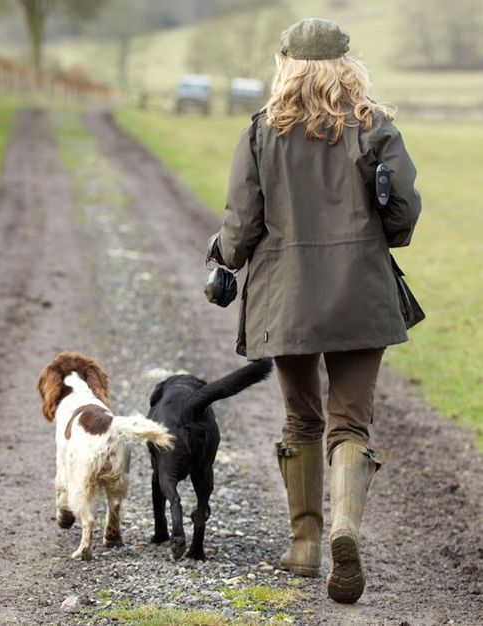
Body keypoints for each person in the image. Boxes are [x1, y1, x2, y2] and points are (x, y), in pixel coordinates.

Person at [209, 18, 421, 603]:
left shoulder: (260, 131)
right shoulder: (376, 127)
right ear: (346, 66)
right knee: (349, 421)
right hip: (361, 292)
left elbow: (242, 224)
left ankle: (305, 546)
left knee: (300, 418)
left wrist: (224, 258)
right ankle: (346, 529)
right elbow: (402, 213)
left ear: (287, 65)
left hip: (287, 295)